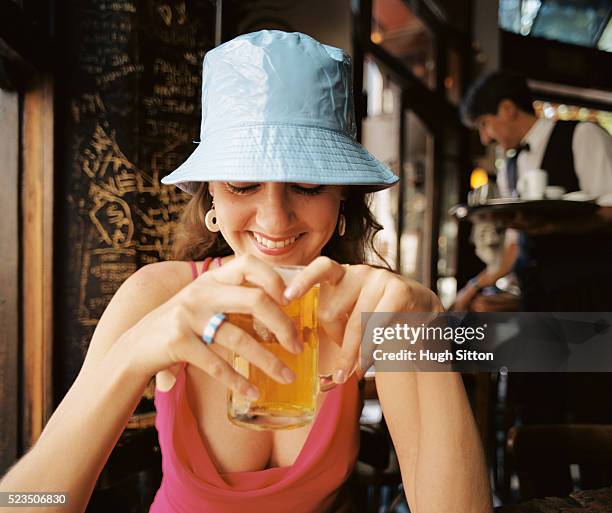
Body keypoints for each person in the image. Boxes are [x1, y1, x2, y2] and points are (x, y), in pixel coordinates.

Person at [0, 31, 491, 513]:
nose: (275, 220)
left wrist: (426, 319)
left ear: (342, 197)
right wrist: (133, 354)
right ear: (210, 192)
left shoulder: (370, 309)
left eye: (308, 185)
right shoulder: (159, 296)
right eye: (242, 184)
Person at [454, 71, 612, 312]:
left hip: (590, 300)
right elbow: (515, 245)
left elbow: (610, 210)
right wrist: (474, 286)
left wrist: (554, 227)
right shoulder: (509, 166)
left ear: (508, 108)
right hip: (537, 302)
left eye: (484, 124)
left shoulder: (583, 135)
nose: (485, 138)